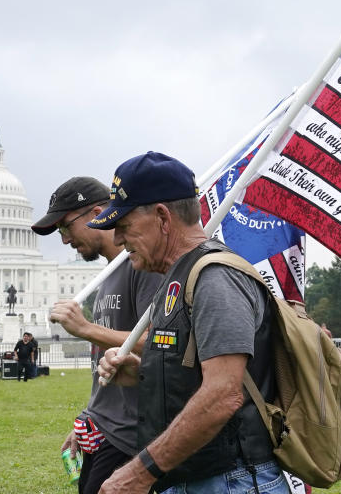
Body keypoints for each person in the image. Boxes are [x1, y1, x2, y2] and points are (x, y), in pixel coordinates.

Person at [93, 152, 288, 494]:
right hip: (198, 480)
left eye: (124, 227)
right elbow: (198, 375)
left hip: (230, 482)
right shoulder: (176, 278)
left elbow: (223, 394)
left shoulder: (215, 277)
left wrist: (139, 473)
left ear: (162, 218)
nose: (119, 241)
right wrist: (140, 371)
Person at [32, 176, 162, 494]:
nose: (64, 240)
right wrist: (89, 415)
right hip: (104, 428)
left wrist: (86, 329)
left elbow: (160, 343)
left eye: (65, 227)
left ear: (97, 213)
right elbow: (106, 360)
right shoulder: (107, 275)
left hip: (131, 436)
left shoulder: (142, 267)